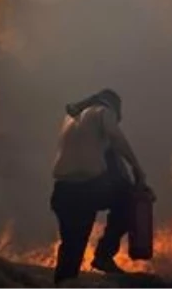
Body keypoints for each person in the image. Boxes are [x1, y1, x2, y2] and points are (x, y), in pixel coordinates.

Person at [49, 88, 148, 285]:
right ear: (114, 108)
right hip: (88, 189)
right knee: (131, 200)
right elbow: (116, 138)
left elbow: (104, 157)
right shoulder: (103, 111)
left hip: (62, 192)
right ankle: (103, 255)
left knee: (71, 247)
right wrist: (138, 169)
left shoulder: (71, 119)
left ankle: (64, 282)